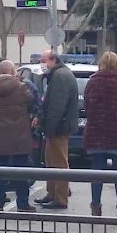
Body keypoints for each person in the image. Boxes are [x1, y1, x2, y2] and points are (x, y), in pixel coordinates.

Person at [83, 52, 117, 217]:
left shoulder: (91, 83)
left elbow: (87, 105)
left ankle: (95, 207)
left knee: (97, 173)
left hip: (96, 133)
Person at [0, 60, 36, 212]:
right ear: (13, 71)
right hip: (18, 137)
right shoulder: (21, 87)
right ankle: (22, 203)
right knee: (21, 172)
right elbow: (32, 101)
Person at [34, 50, 79, 210]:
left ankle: (60, 198)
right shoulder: (57, 75)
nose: (42, 63)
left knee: (59, 162)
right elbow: (48, 102)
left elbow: (57, 107)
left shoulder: (60, 76)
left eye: (43, 60)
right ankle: (52, 193)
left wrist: (50, 129)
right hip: (56, 126)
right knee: (51, 161)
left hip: (59, 127)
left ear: (53, 60)